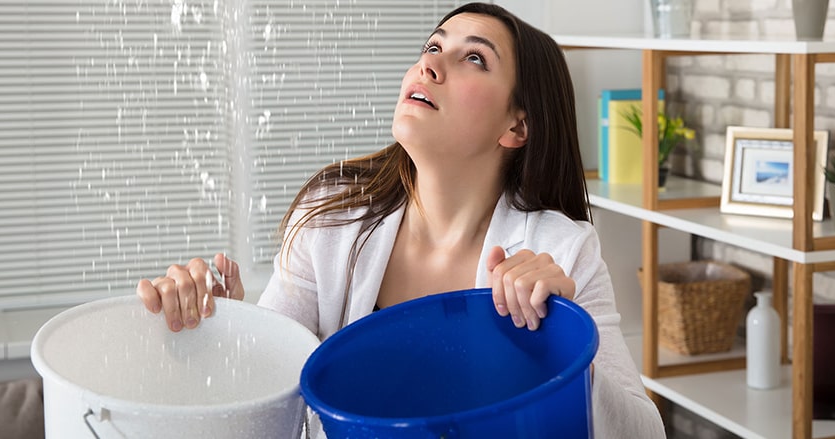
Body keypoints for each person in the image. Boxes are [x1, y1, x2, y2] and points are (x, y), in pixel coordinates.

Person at [137, 3, 667, 437]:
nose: (430, 65)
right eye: (433, 47)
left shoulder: (562, 251)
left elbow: (644, 432)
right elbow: (269, 407)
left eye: (474, 59)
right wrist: (222, 335)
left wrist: (565, 344)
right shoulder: (330, 222)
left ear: (517, 125)